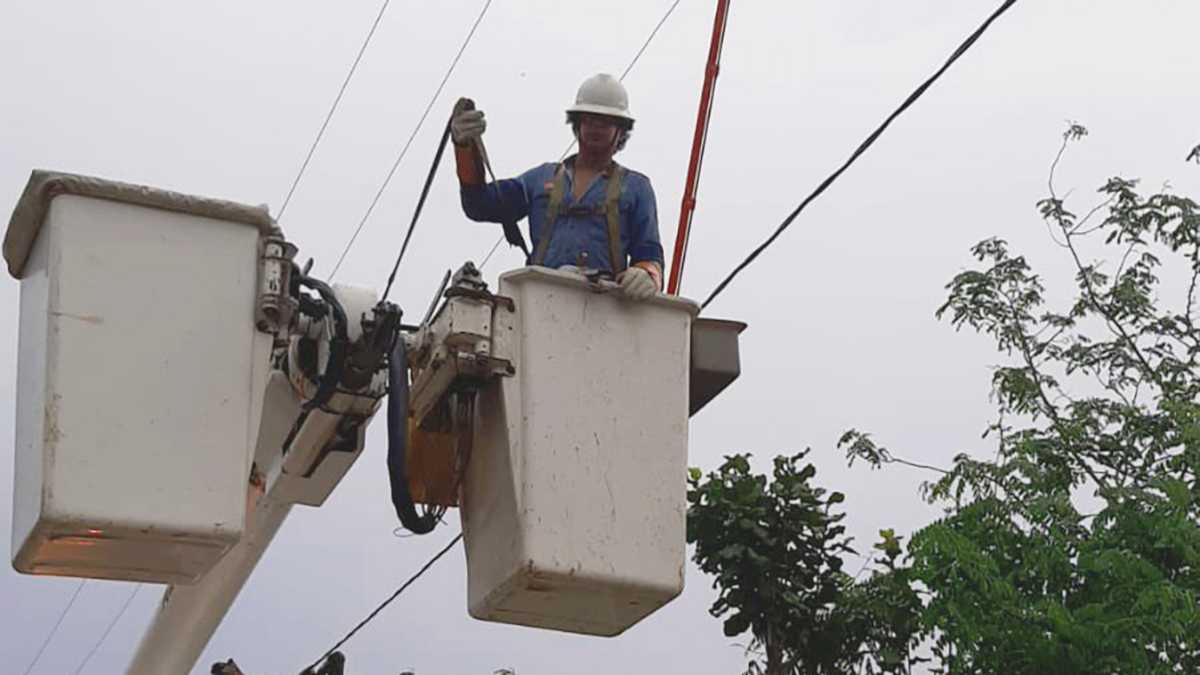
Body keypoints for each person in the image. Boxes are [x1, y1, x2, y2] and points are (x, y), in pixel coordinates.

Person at [450, 73, 664, 300]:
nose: (595, 128)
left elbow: (649, 252)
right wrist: (464, 145)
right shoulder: (541, 179)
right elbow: (479, 205)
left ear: (620, 131)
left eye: (605, 122)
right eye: (589, 120)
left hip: (605, 312)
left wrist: (646, 274)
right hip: (539, 304)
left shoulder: (635, 188)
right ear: (578, 124)